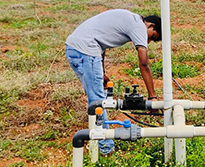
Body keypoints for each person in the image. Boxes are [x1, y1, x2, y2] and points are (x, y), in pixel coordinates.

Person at [65, 9, 162, 155]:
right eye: (152, 37)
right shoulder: (138, 25)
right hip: (87, 51)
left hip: (73, 48)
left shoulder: (128, 18)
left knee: (96, 97)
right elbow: (144, 64)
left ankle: (98, 137)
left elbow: (101, 41)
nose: (147, 41)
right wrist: (153, 96)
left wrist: (102, 72)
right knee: (98, 101)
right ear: (150, 26)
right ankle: (105, 147)